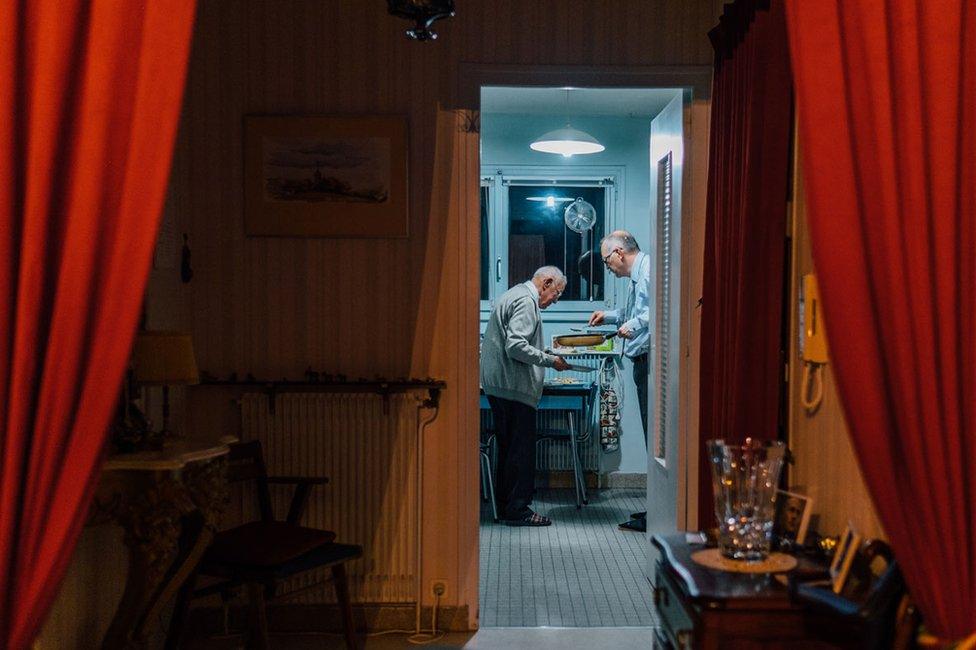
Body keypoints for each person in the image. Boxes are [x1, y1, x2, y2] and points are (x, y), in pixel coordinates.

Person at [481, 266, 571, 526]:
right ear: (547, 282)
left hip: (500, 386)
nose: (556, 299)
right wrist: (549, 360)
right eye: (557, 292)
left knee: (509, 450)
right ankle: (518, 510)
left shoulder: (514, 294)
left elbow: (516, 341)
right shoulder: (526, 301)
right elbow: (516, 346)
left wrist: (543, 352)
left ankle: (506, 506)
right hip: (514, 388)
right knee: (520, 452)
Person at [588, 230, 651, 532]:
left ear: (618, 253)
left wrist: (633, 325)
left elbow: (658, 310)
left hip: (652, 363)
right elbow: (633, 312)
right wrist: (610, 316)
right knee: (652, 435)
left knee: (656, 438)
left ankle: (658, 513)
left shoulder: (649, 271)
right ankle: (655, 509)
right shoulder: (636, 277)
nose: (608, 267)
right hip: (641, 363)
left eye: (606, 261)